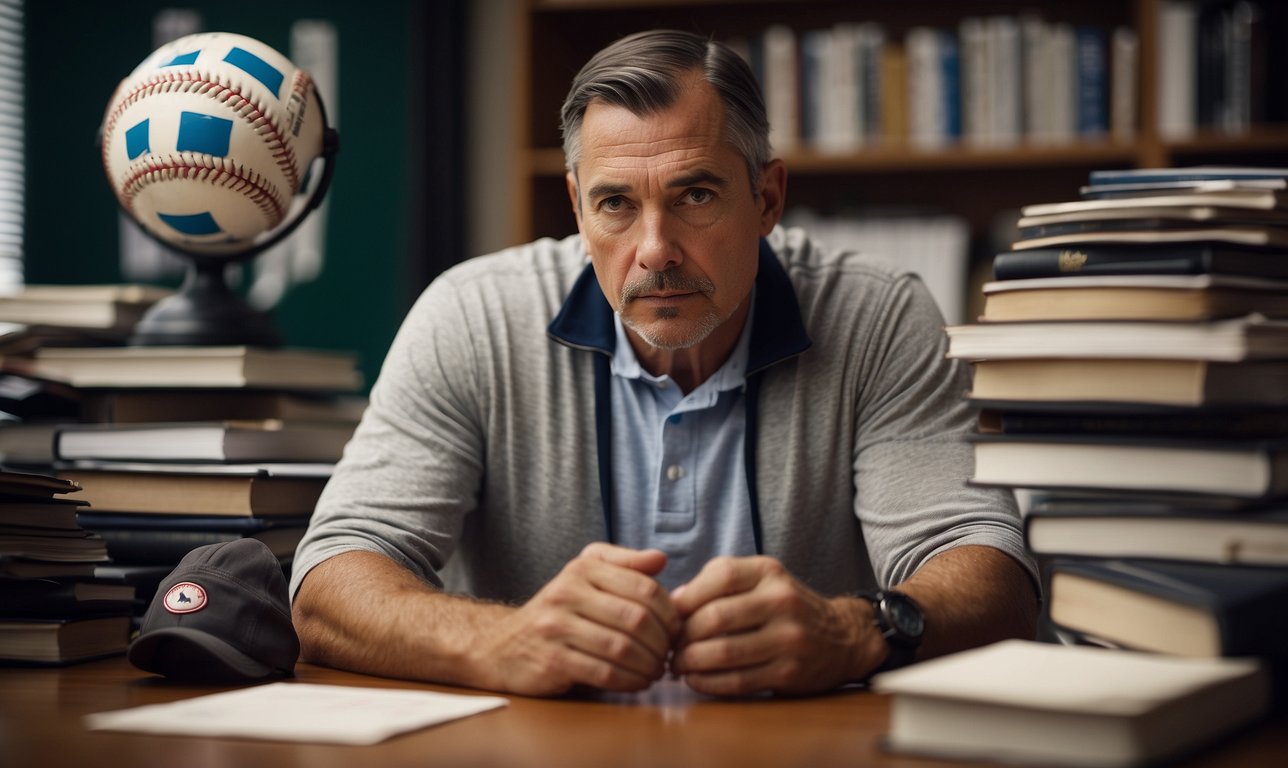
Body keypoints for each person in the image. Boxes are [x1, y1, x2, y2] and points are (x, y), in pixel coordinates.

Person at [290, 29, 1038, 698]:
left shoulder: (877, 316)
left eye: (697, 194)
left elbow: (991, 573)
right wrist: (501, 640)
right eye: (616, 204)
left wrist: (856, 631)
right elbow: (331, 582)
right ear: (578, 206)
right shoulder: (470, 316)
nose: (655, 250)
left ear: (767, 196)